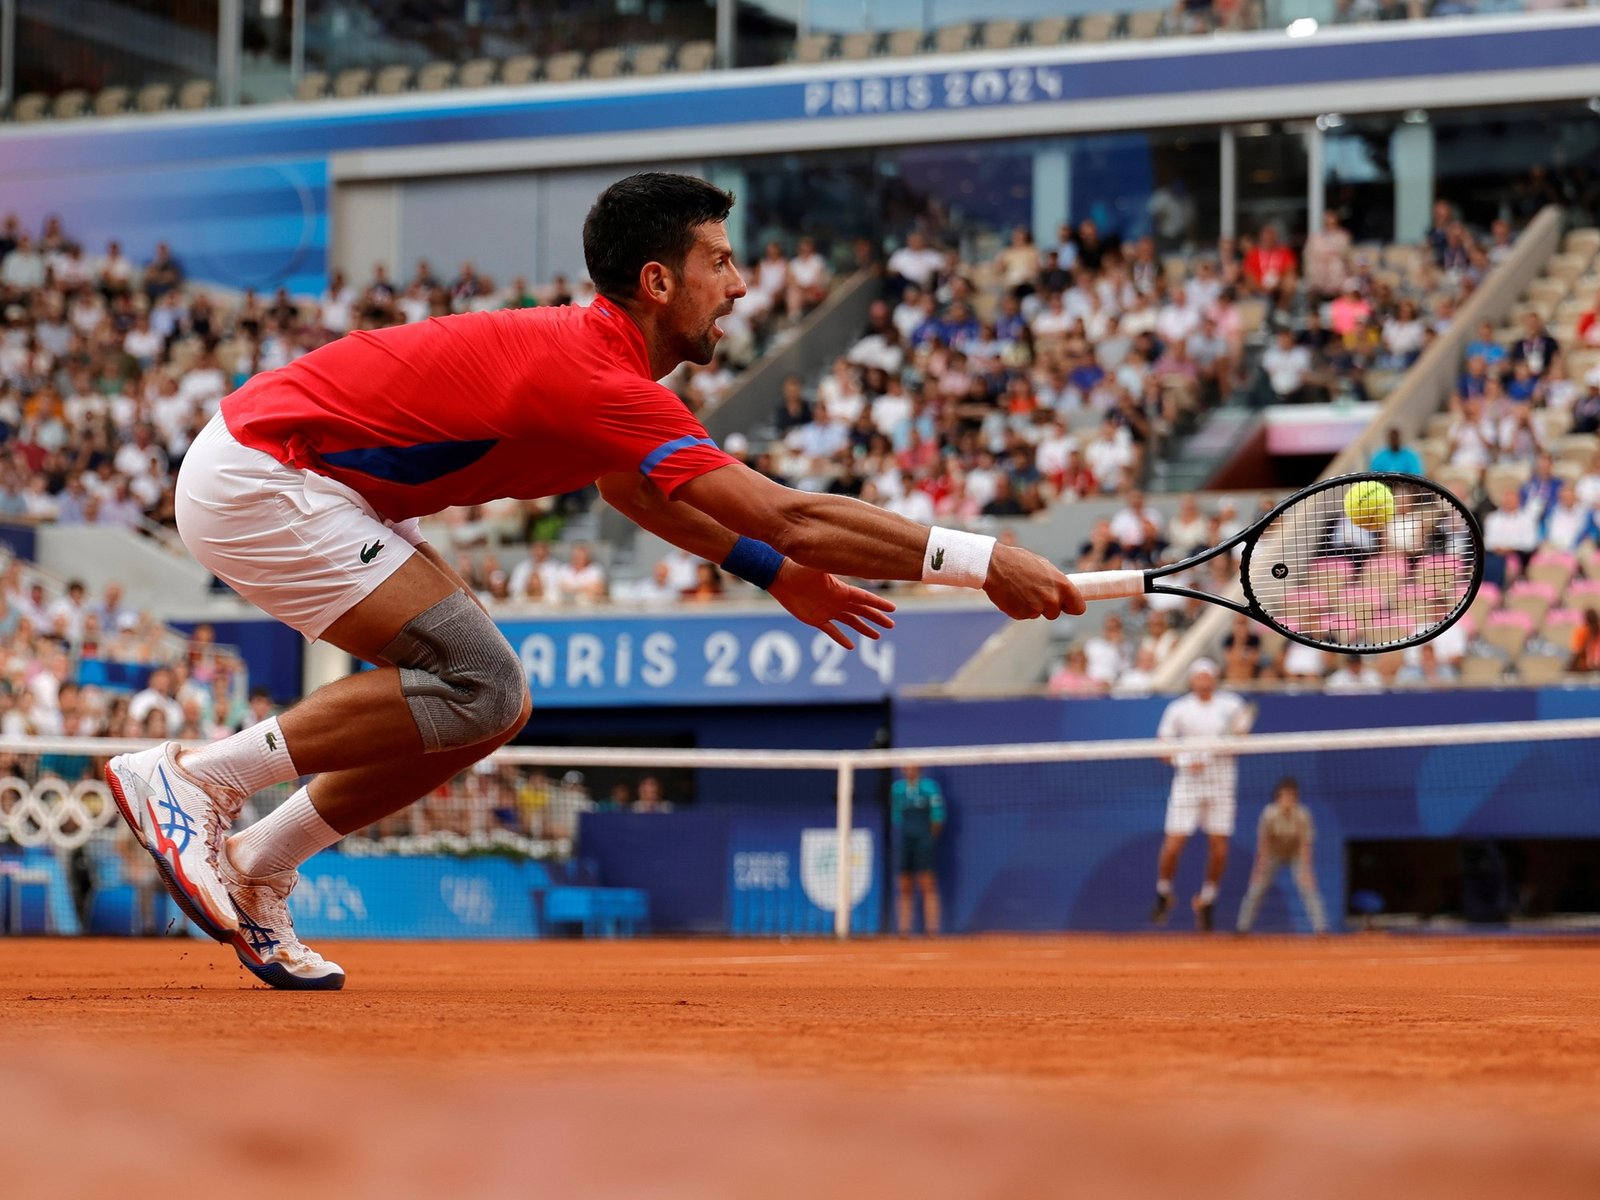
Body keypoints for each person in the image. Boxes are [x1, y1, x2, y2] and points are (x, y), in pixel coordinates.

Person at [106, 173, 1084, 990]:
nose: (740, 286)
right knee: (479, 679)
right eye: (722, 262)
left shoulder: (615, 377)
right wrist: (979, 558)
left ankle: (255, 865)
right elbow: (786, 508)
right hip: (266, 472)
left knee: (488, 705)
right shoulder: (594, 375)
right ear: (658, 280)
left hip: (300, 480)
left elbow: (638, 495)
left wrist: (779, 575)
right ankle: (191, 781)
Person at [1150, 658, 1253, 932]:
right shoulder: (1178, 709)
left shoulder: (1231, 705)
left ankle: (1208, 899)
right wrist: (1186, 761)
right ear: (1192, 680)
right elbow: (1163, 749)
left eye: (1208, 675)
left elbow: (1243, 739)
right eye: (1200, 676)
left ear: (1214, 678)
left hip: (1222, 783)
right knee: (1173, 844)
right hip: (1187, 785)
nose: (1204, 680)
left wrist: (1228, 746)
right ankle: (1163, 891)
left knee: (1219, 847)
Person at [1235, 778, 1327, 935]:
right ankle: (1242, 928)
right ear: (1278, 796)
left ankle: (1321, 929)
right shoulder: (1269, 813)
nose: (1288, 799)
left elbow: (1305, 844)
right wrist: (1259, 868)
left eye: (1292, 795)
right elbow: (1263, 842)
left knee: (1309, 888)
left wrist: (1306, 871)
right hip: (1272, 854)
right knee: (1256, 889)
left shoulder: (1302, 814)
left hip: (1295, 855)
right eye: (1285, 795)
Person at [890, 764, 945, 936]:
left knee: (927, 883)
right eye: (906, 766)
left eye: (913, 766)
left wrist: (928, 838)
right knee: (904, 884)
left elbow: (938, 817)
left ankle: (932, 929)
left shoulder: (930, 788)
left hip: (924, 840)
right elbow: (896, 815)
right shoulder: (897, 789)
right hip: (906, 841)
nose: (909, 769)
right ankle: (904, 930)